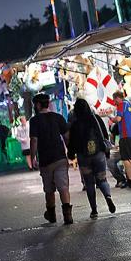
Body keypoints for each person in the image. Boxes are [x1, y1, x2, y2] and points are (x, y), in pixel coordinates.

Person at [66, 98, 116, 219]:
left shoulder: (75, 124)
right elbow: (104, 135)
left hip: (83, 156)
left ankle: (94, 210)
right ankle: (108, 196)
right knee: (102, 180)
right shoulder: (96, 119)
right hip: (98, 154)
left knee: (89, 183)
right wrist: (106, 151)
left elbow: (72, 143)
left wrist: (71, 154)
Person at [28, 92, 73, 224]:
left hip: (46, 160)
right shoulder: (58, 117)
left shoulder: (34, 121)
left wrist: (33, 157)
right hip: (60, 157)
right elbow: (66, 137)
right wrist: (70, 152)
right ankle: (68, 216)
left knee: (49, 189)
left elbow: (34, 141)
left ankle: (52, 215)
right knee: (63, 187)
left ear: (37, 105)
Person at [112, 91, 131, 186]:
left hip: (125, 136)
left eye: (114, 100)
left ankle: (130, 180)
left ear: (118, 98)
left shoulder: (121, 104)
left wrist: (110, 117)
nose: (114, 102)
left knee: (126, 159)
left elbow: (118, 119)